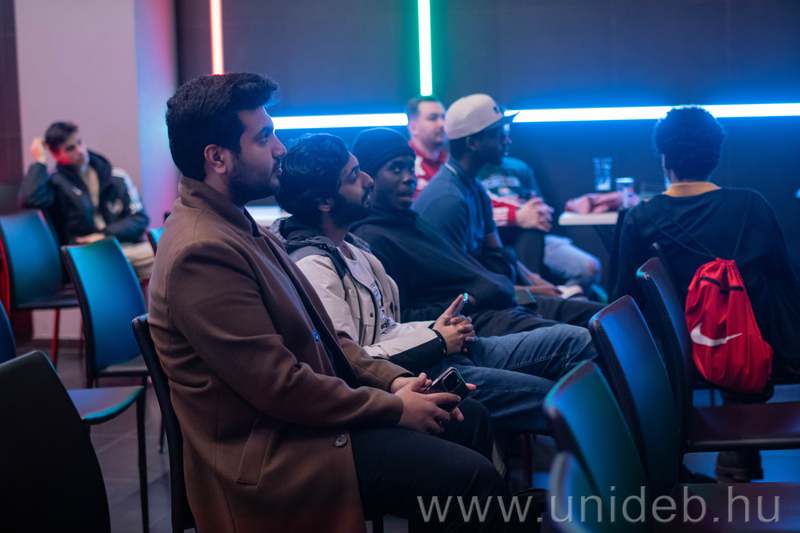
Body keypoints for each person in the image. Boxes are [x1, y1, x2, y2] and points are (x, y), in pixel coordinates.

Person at [153, 72, 522, 532]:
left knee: (468, 417)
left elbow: (328, 340)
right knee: (470, 479)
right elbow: (280, 387)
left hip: (308, 420)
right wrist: (394, 407)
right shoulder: (202, 251)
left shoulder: (241, 228)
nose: (280, 149)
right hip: (278, 453)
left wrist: (396, 383)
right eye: (264, 137)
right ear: (217, 157)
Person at [271, 132, 597, 435]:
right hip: (417, 375)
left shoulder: (354, 247)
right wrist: (437, 338)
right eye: (355, 176)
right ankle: (608, 464)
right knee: (569, 401)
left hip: (446, 347)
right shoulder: (315, 264)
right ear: (324, 201)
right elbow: (347, 360)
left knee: (578, 340)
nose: (368, 180)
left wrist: (438, 328)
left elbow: (386, 327)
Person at [612, 105, 800, 481]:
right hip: (756, 353)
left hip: (684, 358)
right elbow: (786, 281)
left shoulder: (641, 218)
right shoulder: (752, 205)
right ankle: (739, 452)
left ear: (665, 158)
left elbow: (623, 303)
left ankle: (714, 458)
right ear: (715, 155)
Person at [350, 128, 605, 337]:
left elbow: (472, 271)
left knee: (607, 318)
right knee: (584, 340)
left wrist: (524, 286)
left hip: (501, 302)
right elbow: (401, 320)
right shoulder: (376, 236)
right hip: (475, 322)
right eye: (396, 169)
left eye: (410, 168)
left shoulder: (412, 220)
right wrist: (470, 300)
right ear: (369, 178)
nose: (409, 177)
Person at [19, 122, 153, 280]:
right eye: (70, 148)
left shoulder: (116, 177)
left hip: (122, 246)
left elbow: (140, 219)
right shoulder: (56, 185)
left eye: (80, 142)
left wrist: (104, 235)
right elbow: (31, 199)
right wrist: (40, 160)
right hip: (86, 255)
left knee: (164, 255)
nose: (80, 151)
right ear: (56, 155)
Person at [478, 156, 601, 294]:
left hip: (534, 240)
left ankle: (557, 298)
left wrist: (530, 214)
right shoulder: (473, 172)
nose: (506, 143)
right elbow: (479, 214)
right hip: (494, 243)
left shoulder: (519, 167)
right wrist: (518, 215)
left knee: (590, 268)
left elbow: (541, 212)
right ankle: (541, 296)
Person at [407, 95, 448, 196]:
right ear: (413, 127)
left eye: (444, 118)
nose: (442, 124)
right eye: (433, 118)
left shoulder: (451, 162)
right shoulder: (403, 164)